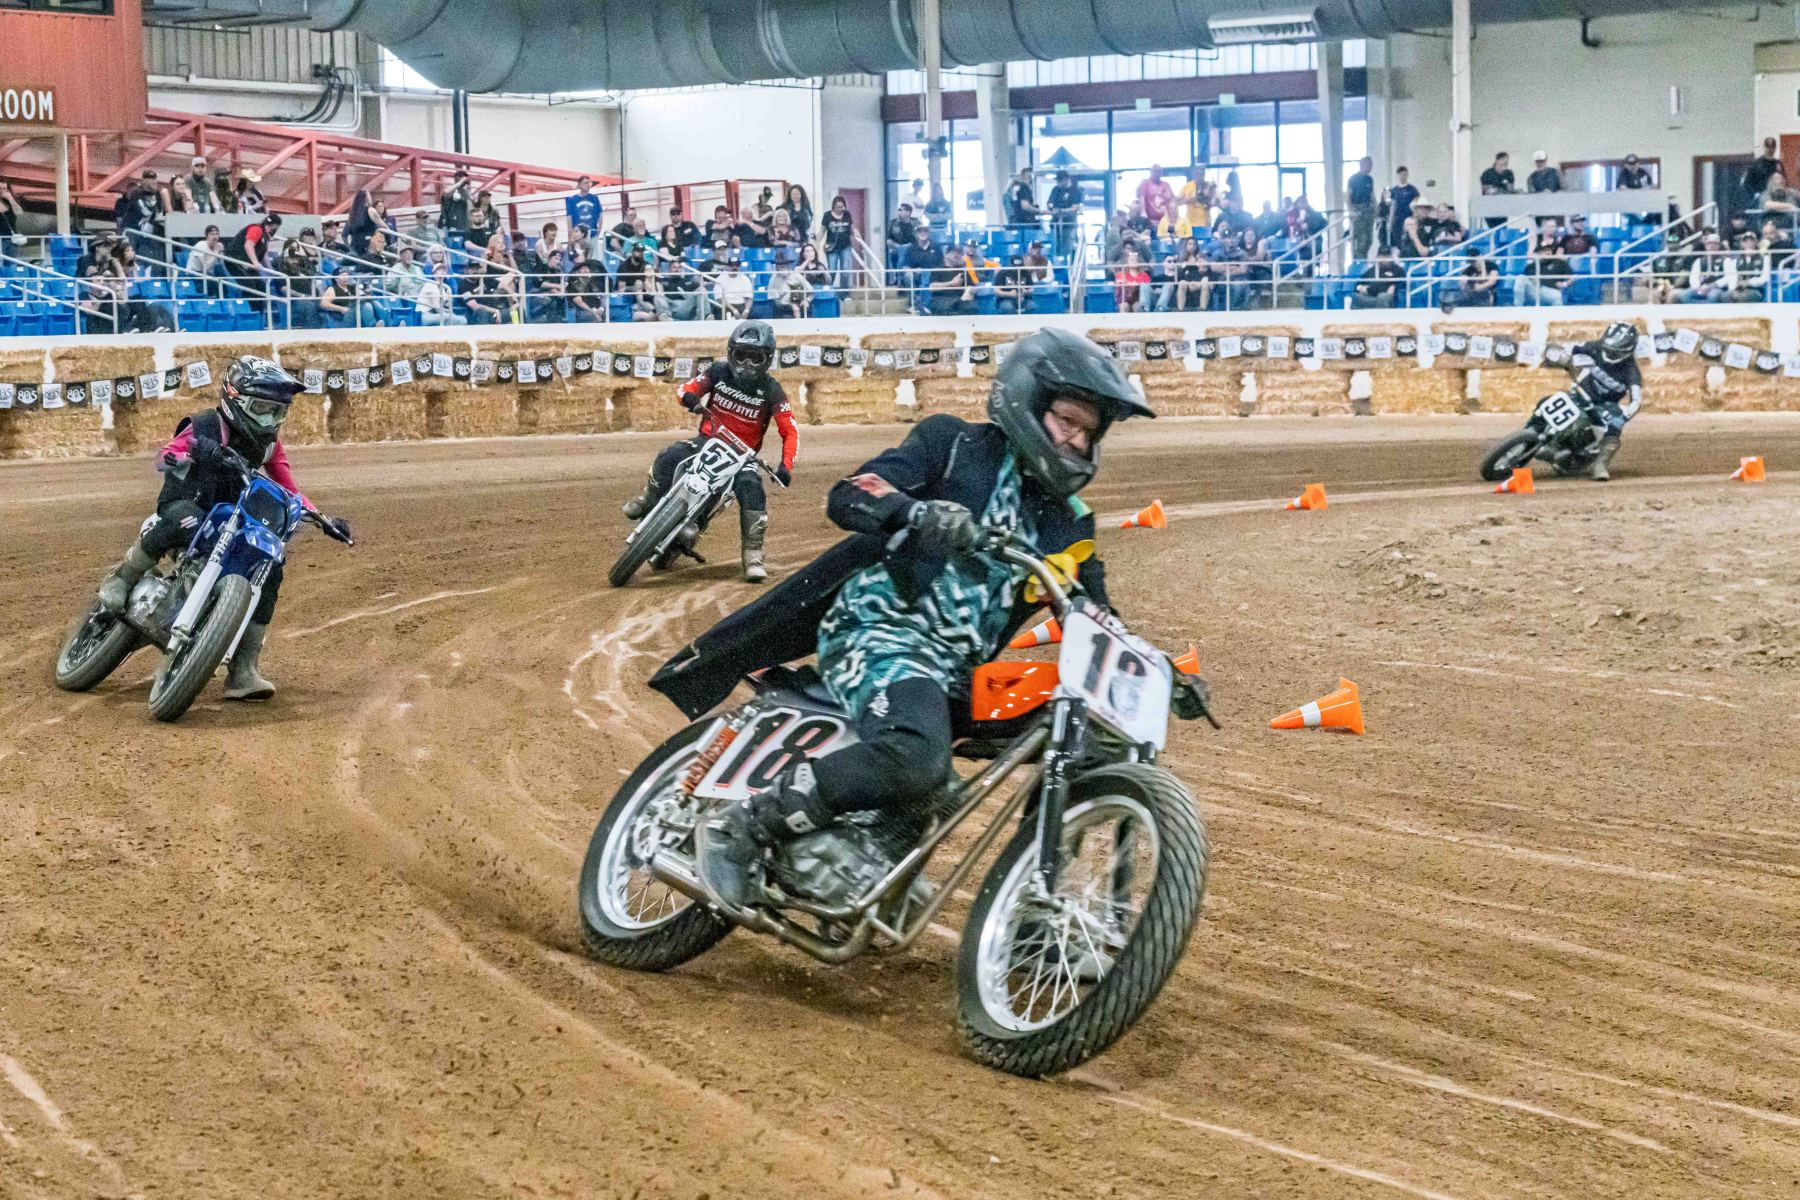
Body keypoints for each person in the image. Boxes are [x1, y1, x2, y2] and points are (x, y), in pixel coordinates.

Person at [653, 329, 1153, 911]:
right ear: (1026, 399)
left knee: (1085, 736)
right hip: (880, 628)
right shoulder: (954, 443)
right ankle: (742, 825)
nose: (1076, 440)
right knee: (917, 757)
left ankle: (1028, 900)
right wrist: (914, 512)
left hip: (957, 671)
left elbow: (1095, 614)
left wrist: (1155, 668)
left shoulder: (1070, 523)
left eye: (1089, 432)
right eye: (1067, 421)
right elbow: (851, 493)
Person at [91, 357, 352, 701]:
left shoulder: (269, 444)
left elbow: (289, 488)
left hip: (231, 515)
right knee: (184, 520)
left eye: (277, 412)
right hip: (188, 502)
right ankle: (122, 579)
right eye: (262, 409)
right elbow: (165, 456)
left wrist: (322, 518)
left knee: (271, 565)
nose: (269, 420)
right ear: (234, 398)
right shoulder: (205, 425)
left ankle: (244, 669)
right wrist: (191, 452)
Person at [622, 322, 796, 582]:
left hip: (743, 457)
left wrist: (786, 466)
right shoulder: (717, 372)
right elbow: (684, 388)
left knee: (752, 488)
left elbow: (789, 429)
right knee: (670, 455)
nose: (747, 364)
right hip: (708, 439)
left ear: (767, 359)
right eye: (741, 355)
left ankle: (752, 556)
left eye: (755, 357)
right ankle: (648, 499)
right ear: (730, 353)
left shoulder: (772, 390)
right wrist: (691, 399)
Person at [1566, 322, 1642, 481]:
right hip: (1580, 393)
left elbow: (1636, 401)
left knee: (1614, 427)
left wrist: (1623, 417)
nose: (1608, 354)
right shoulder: (1595, 347)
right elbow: (1569, 348)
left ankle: (1600, 465)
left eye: (1614, 352)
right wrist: (1558, 357)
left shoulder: (1631, 372)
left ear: (1627, 351)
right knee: (1545, 402)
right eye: (1607, 349)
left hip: (1603, 405)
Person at [416, 250, 467, 326]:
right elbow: (436, 308)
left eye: (443, 270)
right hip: (425, 315)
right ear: (434, 273)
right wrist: (451, 314)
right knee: (451, 318)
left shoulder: (444, 288)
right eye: (438, 270)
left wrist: (450, 310)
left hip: (436, 314)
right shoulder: (430, 284)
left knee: (461, 319)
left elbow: (446, 306)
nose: (442, 272)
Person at [1516, 238, 1570, 306]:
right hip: (1534, 291)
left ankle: (1558, 312)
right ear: (1539, 253)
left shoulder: (1559, 263)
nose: (1548, 252)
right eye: (1544, 250)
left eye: (1549, 250)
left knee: (1557, 295)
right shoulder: (1531, 266)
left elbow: (1572, 277)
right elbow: (1524, 281)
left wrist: (1564, 284)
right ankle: (1518, 307)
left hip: (1550, 291)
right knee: (1521, 277)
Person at [821, 195, 855, 290]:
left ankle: (844, 291)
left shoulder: (847, 214)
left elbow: (851, 227)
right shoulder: (827, 215)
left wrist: (856, 233)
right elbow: (822, 230)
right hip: (832, 246)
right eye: (837, 207)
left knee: (846, 269)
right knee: (832, 269)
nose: (840, 209)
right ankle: (829, 289)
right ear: (833, 206)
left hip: (845, 246)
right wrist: (818, 243)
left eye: (842, 207)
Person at [1046, 171, 1082, 260]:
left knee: (1067, 248)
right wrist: (1053, 209)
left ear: (1066, 179)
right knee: (1055, 248)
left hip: (1069, 224)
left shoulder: (1075, 191)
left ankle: (1067, 265)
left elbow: (1076, 207)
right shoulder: (1055, 189)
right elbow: (1050, 203)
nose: (1058, 182)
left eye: (1060, 180)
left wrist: (1064, 211)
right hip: (1055, 224)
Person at [1384, 166, 1419, 255]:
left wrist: (1416, 218)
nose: (1402, 176)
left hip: (1409, 218)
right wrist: (1390, 221)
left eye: (1404, 174)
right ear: (1398, 175)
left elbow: (1416, 205)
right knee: (1398, 240)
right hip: (1398, 219)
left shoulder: (1412, 189)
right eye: (1400, 174)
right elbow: (1392, 206)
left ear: (1407, 174)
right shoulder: (1394, 190)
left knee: (1409, 238)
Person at [1348, 157, 1376, 259]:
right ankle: (1359, 260)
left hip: (1368, 210)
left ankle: (1364, 259)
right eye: (1369, 164)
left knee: (1369, 239)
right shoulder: (1353, 179)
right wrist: (1351, 210)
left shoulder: (1369, 179)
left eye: (1371, 164)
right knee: (1360, 239)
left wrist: (1376, 209)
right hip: (1358, 209)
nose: (1370, 167)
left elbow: (1372, 195)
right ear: (1362, 164)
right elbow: (1348, 195)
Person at [1478, 152, 1515, 228]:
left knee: (1502, 227)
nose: (1505, 163)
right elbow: (1486, 190)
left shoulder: (1508, 173)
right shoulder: (1488, 173)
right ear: (1497, 161)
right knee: (1492, 228)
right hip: (1489, 207)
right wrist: (1500, 189)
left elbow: (1511, 189)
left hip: (1503, 206)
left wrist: (1504, 181)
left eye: (1506, 160)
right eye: (1503, 160)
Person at [1136, 165, 1175, 233]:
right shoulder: (1145, 183)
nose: (1157, 173)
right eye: (1155, 171)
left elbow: (1172, 200)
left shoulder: (1166, 185)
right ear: (1151, 172)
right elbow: (1142, 197)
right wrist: (1143, 213)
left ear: (1162, 173)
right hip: (1150, 220)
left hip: (1165, 220)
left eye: (1159, 171)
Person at [1743, 137, 1782, 206]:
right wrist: (1755, 194)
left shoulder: (1778, 164)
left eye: (1772, 147)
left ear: (1775, 148)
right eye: (1768, 147)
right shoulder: (1755, 164)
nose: (1770, 150)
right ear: (1764, 147)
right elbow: (1747, 183)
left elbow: (1784, 181)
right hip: (1760, 199)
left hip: (1776, 199)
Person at [1004, 168, 1041, 233]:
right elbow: (1025, 206)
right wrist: (1040, 211)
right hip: (1025, 223)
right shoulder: (1024, 187)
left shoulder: (1015, 191)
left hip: (1017, 223)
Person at [439, 169, 473, 239]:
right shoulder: (451, 189)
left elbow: (472, 203)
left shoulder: (465, 192)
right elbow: (446, 193)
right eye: (462, 177)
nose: (464, 180)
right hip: (449, 222)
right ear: (456, 178)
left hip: (462, 224)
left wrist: (469, 188)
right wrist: (459, 183)